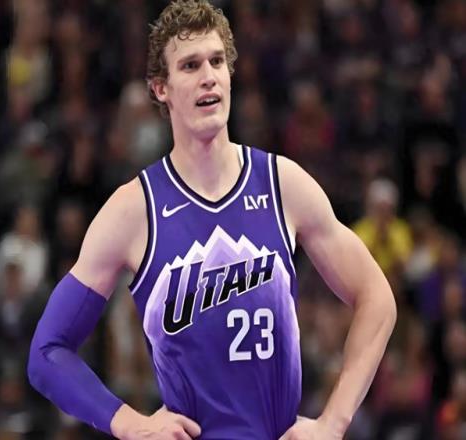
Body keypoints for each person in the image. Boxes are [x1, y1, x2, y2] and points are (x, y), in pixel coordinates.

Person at [27, 1, 397, 439]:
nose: (208, 76)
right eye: (190, 65)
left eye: (217, 61)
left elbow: (377, 298)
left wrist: (333, 423)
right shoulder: (133, 210)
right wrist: (129, 423)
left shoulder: (282, 183)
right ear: (160, 88)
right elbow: (47, 352)